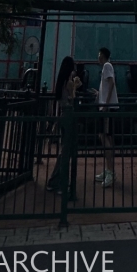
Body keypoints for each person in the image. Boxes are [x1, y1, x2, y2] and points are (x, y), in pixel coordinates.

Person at [47, 56, 81, 192]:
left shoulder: (61, 81)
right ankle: (60, 183)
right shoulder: (68, 82)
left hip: (63, 116)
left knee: (65, 150)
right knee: (67, 151)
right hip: (69, 117)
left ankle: (55, 180)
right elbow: (72, 98)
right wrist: (76, 86)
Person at [95, 47, 118, 188]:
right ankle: (109, 170)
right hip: (105, 105)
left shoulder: (107, 66)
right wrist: (98, 94)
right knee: (105, 137)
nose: (97, 57)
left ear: (102, 56)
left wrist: (106, 104)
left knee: (105, 137)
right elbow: (107, 86)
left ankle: (110, 171)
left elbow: (111, 83)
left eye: (99, 55)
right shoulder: (105, 67)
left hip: (107, 107)